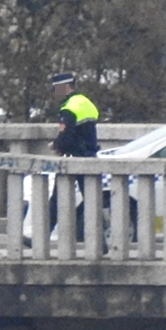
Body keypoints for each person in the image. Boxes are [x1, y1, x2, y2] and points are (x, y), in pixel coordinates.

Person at [24, 73, 100, 248]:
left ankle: (40, 239)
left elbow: (67, 137)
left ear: (64, 87)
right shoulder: (86, 102)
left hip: (73, 159)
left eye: (56, 90)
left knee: (57, 201)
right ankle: (99, 242)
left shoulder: (69, 108)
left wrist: (56, 145)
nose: (54, 94)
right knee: (91, 202)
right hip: (90, 157)